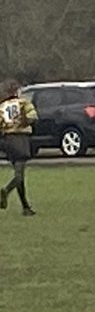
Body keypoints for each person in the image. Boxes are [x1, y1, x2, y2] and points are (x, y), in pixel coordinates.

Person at [0, 80, 36, 216]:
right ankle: (6, 190)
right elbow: (32, 116)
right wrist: (23, 123)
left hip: (8, 140)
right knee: (19, 174)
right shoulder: (23, 103)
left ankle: (25, 207)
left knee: (19, 172)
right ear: (16, 91)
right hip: (21, 138)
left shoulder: (2, 106)